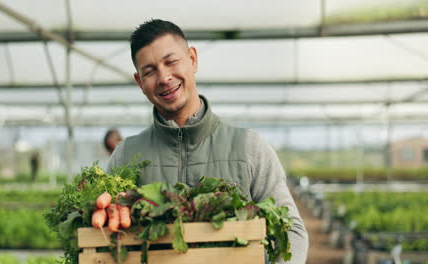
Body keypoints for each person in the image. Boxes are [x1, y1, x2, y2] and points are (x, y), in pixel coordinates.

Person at [107, 19, 308, 263]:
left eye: (171, 62)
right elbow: (104, 238)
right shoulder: (125, 155)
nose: (164, 77)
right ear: (140, 82)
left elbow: (291, 232)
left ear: (192, 59)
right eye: (150, 71)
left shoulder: (249, 148)